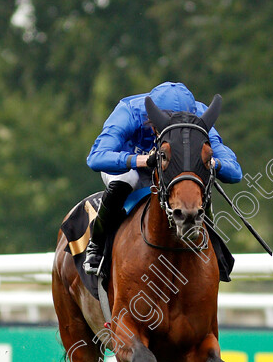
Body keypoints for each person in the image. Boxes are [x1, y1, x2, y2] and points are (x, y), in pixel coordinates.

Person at [83, 81, 242, 275]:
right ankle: (96, 244)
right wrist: (141, 160)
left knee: (199, 182)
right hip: (128, 166)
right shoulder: (129, 112)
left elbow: (234, 172)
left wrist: (212, 163)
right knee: (127, 180)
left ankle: (214, 249)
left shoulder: (199, 116)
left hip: (171, 170)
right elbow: (96, 158)